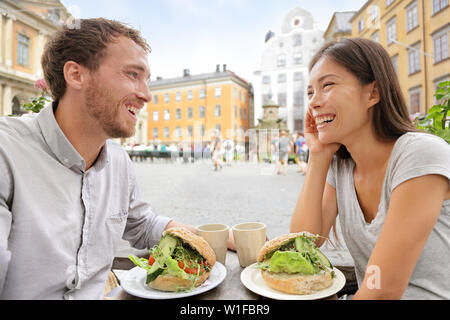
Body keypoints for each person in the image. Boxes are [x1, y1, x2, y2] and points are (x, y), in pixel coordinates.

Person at [0, 18, 234, 300]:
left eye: (146, 80)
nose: (147, 95)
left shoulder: (119, 162)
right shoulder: (7, 153)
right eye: (132, 74)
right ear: (75, 74)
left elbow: (143, 224)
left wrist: (210, 237)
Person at [290, 38, 450, 299]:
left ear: (373, 93)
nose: (314, 103)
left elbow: (383, 290)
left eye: (327, 85)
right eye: (310, 93)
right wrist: (318, 156)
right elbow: (302, 245)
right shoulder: (341, 166)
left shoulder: (419, 153)